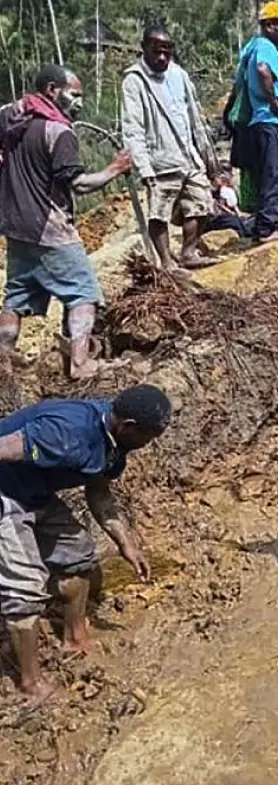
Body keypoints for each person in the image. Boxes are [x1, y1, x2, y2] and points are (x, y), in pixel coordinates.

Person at [0, 384, 172, 704]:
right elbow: (6, 445)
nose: (147, 446)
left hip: (34, 495)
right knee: (25, 588)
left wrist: (127, 545)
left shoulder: (113, 443)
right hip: (5, 495)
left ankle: (75, 638)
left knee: (79, 553)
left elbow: (99, 492)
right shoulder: (68, 432)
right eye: (147, 438)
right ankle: (30, 684)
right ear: (129, 427)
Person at [0, 64, 132, 380]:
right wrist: (115, 168)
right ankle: (80, 363)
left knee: (16, 297)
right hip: (50, 228)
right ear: (52, 90)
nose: (79, 103)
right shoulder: (58, 132)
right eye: (74, 95)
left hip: (16, 227)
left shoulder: (10, 115)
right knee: (83, 292)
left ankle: (3, 360)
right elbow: (79, 184)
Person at [121, 24, 220, 272]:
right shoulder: (134, 81)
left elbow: (195, 118)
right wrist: (144, 168)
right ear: (144, 48)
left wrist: (209, 161)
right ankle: (166, 261)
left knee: (201, 202)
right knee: (159, 211)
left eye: (167, 51)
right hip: (160, 158)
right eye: (157, 51)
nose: (162, 57)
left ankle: (188, 252)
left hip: (187, 154)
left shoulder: (179, 75)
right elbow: (133, 128)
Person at [228, 1, 278, 243]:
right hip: (274, 122)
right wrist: (274, 103)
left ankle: (264, 224)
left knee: (269, 175)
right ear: (270, 26)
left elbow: (239, 84)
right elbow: (263, 70)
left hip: (262, 123)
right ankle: (266, 230)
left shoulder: (251, 47)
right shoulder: (265, 47)